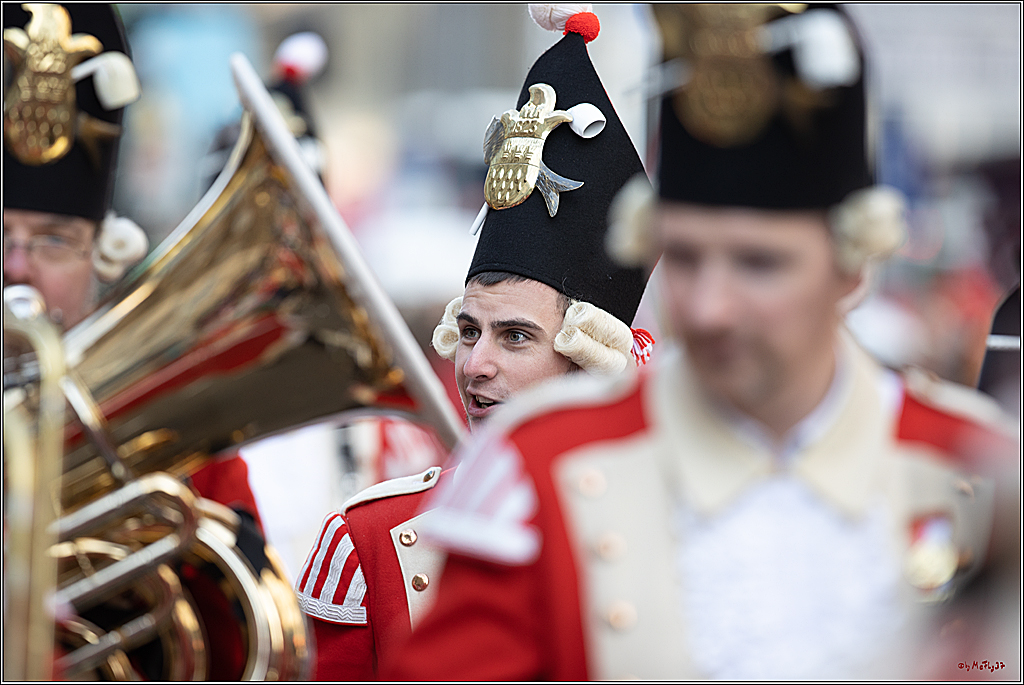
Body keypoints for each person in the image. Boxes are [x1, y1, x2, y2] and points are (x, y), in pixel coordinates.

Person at [385, 4, 1019, 680]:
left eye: (758, 263)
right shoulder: (527, 479)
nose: (710, 308)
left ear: (852, 269)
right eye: (684, 258)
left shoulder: (975, 475)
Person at [295, 5, 656, 679]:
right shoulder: (368, 538)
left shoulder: (679, 517)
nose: (474, 364)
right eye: (468, 331)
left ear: (591, 355)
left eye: (516, 336)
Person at [3, 5, 267, 678]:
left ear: (103, 254)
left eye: (53, 240)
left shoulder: (173, 419)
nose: (16, 266)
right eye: (2, 235)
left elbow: (249, 636)